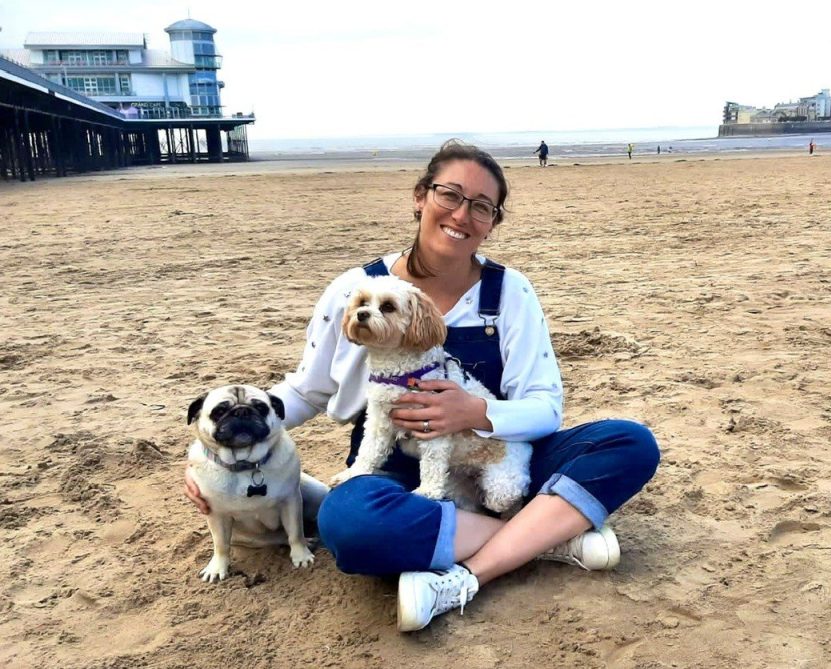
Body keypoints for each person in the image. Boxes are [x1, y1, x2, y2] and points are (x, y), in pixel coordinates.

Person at [183, 140, 660, 632]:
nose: (461, 214)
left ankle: (474, 563)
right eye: (449, 194)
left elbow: (545, 408)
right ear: (420, 197)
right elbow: (305, 392)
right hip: (394, 466)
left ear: (492, 221)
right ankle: (546, 536)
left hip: (494, 454)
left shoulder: (511, 292)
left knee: (630, 443)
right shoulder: (353, 288)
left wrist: (475, 413)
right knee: (347, 525)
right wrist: (207, 448)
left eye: (481, 206)